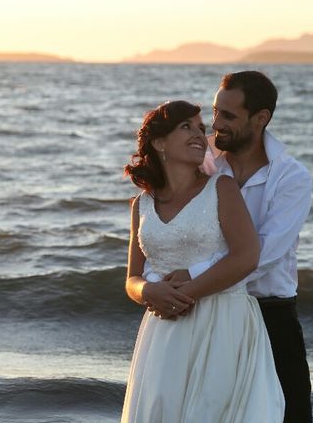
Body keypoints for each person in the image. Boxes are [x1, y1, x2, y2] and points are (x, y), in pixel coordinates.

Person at [144, 72, 313, 423]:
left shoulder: (291, 177)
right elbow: (168, 227)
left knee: (290, 415)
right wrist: (156, 286)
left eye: (228, 117)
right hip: (202, 314)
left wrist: (191, 278)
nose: (216, 125)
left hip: (270, 316)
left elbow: (262, 254)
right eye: (215, 112)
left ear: (261, 118)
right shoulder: (201, 157)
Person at [121, 100, 285, 422]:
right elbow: (132, 278)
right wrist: (148, 292)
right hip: (165, 328)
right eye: (186, 127)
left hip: (223, 320)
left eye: (200, 127)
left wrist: (187, 293)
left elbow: (247, 256)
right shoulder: (142, 204)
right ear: (158, 142)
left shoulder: (221, 188)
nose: (200, 134)